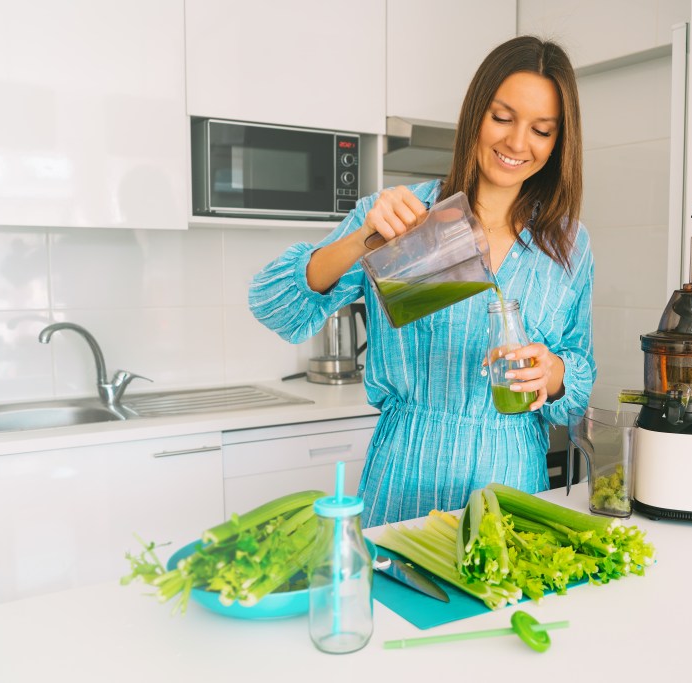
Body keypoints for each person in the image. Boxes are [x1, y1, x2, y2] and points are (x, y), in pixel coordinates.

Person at [249, 35, 595, 528]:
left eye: (541, 130)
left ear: (559, 142)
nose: (518, 143)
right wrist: (364, 239)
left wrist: (553, 373)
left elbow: (578, 387)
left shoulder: (569, 244)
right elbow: (273, 304)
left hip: (514, 485)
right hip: (407, 476)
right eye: (502, 118)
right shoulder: (406, 216)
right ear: (475, 114)